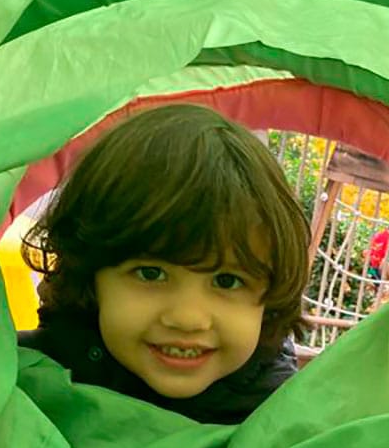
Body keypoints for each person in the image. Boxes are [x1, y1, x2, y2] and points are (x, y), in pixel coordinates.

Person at [18, 104, 310, 424]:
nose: (187, 319)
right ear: (90, 277)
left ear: (270, 300)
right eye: (151, 273)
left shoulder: (281, 420)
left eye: (227, 281)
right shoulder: (25, 380)